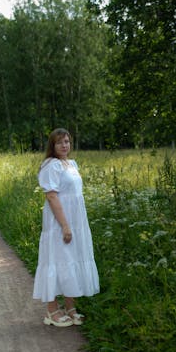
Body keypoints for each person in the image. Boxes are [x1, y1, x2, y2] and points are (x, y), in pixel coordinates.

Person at [33, 128, 100, 327]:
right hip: (59, 222)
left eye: (67, 142)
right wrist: (65, 226)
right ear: (52, 146)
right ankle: (52, 310)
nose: (64, 145)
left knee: (72, 259)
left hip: (76, 221)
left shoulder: (71, 164)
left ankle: (70, 307)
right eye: (60, 142)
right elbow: (52, 196)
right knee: (56, 259)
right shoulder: (51, 166)